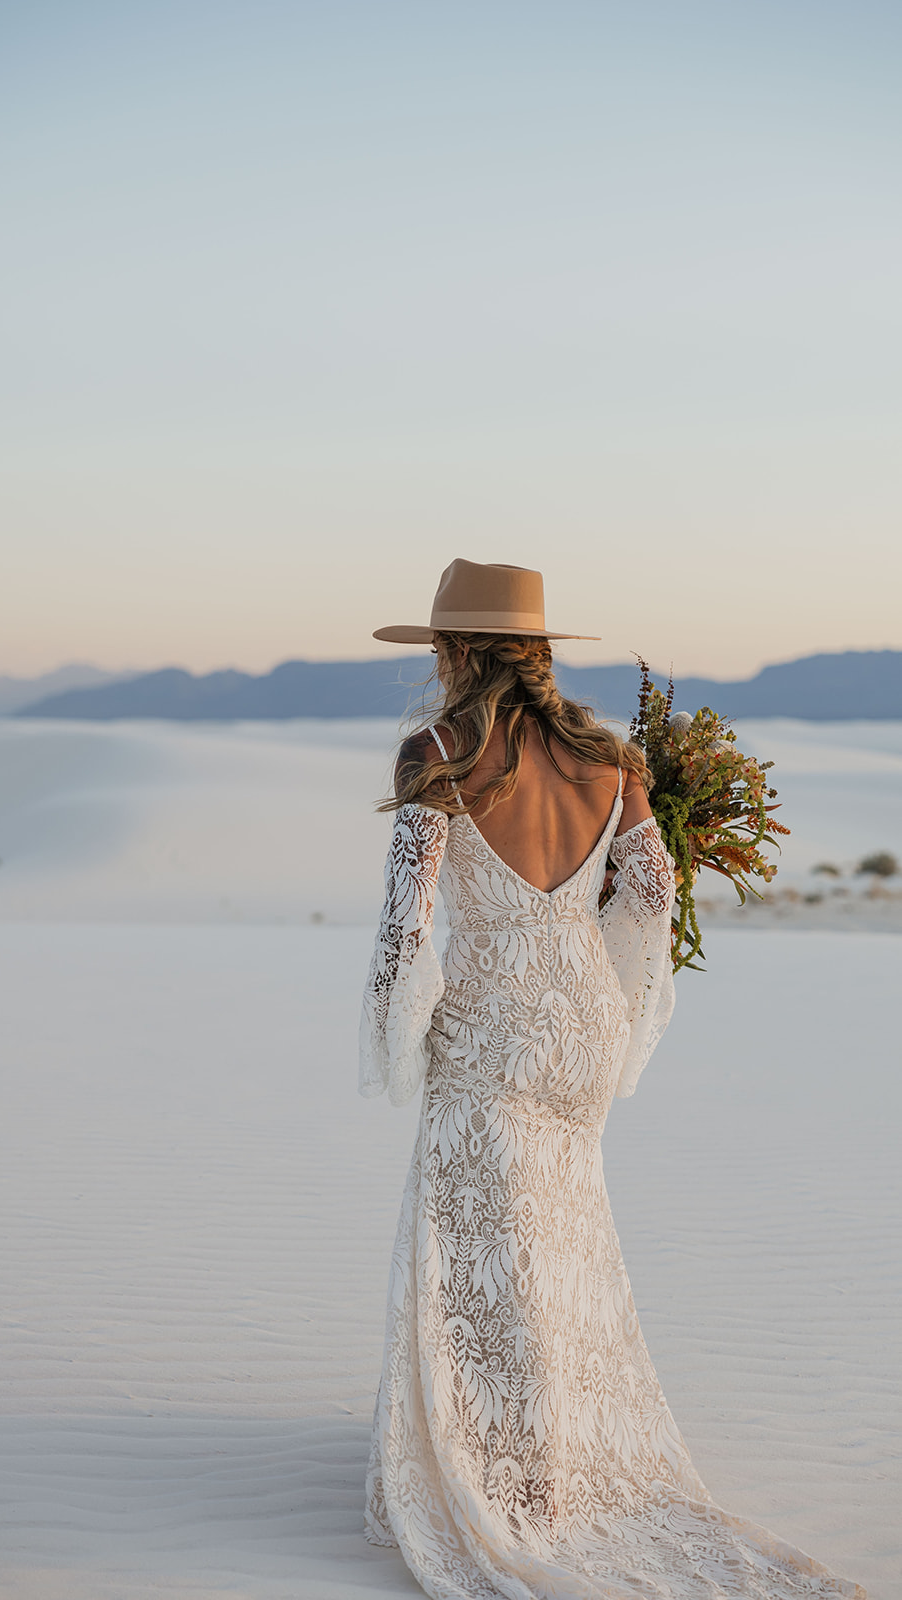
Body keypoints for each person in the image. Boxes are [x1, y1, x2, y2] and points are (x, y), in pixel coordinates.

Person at [359, 560, 864, 1599]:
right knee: (557, 1237)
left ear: (453, 651)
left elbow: (403, 930)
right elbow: (652, 887)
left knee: (482, 1252)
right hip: (577, 1024)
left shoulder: (437, 753)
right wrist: (615, 997)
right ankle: (548, 1452)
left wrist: (395, 1037)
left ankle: (513, 1477)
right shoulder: (608, 756)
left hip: (494, 1026)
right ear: (537, 650)